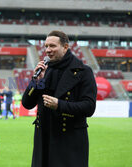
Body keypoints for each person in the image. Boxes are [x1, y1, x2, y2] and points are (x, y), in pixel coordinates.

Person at [22, 30, 97, 167]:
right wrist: (37, 82)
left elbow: (89, 107)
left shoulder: (83, 71)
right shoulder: (45, 70)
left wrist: (59, 105)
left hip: (69, 143)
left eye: (52, 46)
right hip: (43, 140)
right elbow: (27, 104)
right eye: (46, 46)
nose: (48, 50)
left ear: (65, 47)